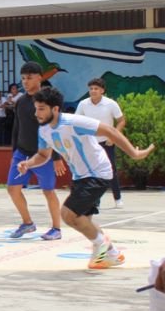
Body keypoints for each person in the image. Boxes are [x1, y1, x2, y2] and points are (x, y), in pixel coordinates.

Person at [17, 87, 155, 269]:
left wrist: (134, 153)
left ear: (55, 109)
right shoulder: (44, 131)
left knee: (68, 214)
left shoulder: (74, 122)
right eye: (36, 108)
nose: (37, 113)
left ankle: (102, 246)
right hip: (80, 176)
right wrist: (28, 164)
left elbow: (110, 131)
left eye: (41, 108)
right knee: (83, 220)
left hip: (97, 172)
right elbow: (43, 155)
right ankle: (112, 254)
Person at [6, 62, 66, 240]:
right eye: (23, 78)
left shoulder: (48, 102)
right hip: (22, 153)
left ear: (40, 77)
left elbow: (55, 129)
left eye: (29, 77)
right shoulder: (20, 102)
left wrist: (56, 157)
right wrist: (14, 153)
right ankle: (27, 223)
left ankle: (56, 228)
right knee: (12, 189)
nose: (25, 81)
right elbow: (17, 128)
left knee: (48, 191)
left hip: (44, 154)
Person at [75, 78, 126, 208]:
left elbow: (121, 121)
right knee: (92, 172)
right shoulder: (83, 104)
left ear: (102, 90)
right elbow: (76, 121)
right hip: (90, 143)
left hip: (107, 142)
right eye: (91, 88)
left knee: (111, 170)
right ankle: (95, 201)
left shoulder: (111, 104)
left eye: (96, 89)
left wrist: (114, 136)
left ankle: (117, 198)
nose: (93, 91)